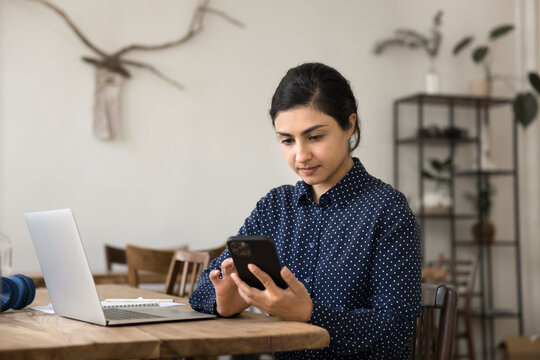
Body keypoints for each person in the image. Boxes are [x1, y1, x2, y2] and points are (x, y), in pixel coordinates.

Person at [189, 62, 421, 359]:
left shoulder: (387, 209)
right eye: (287, 140)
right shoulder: (275, 207)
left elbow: (397, 330)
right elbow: (202, 289)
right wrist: (226, 302)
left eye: (315, 137)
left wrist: (309, 314)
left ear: (349, 125)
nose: (301, 155)